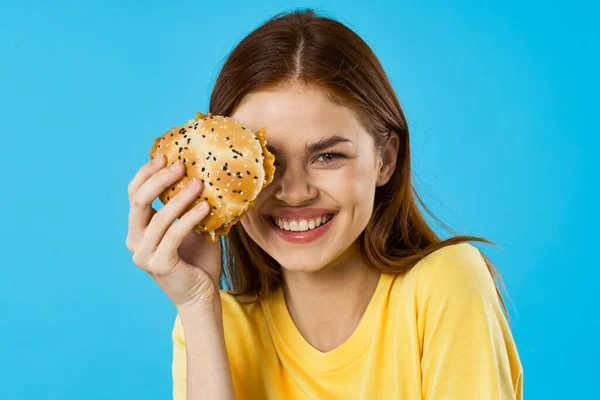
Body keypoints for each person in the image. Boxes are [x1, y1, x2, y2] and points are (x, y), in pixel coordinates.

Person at [126, 9, 523, 400]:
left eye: (329, 156)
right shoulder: (212, 323)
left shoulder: (445, 284)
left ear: (385, 160)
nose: (295, 193)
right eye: (267, 163)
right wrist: (197, 306)